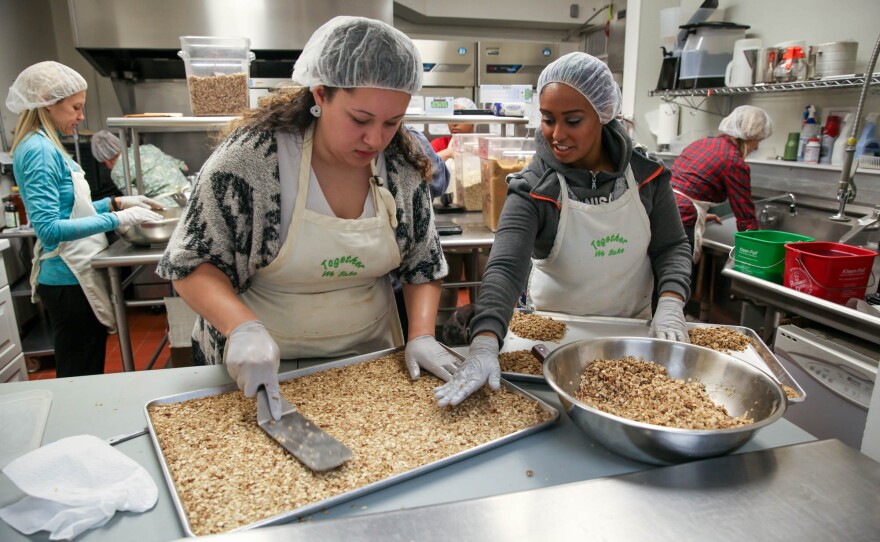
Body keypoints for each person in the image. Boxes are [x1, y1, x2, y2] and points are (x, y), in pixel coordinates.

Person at [157, 16, 459, 419]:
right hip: (257, 373)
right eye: (360, 119)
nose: (376, 139)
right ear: (321, 93)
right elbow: (191, 262)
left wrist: (420, 335)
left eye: (392, 122)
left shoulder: (401, 165)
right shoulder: (252, 161)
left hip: (369, 365)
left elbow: (423, 264)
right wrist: (242, 328)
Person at [434, 52, 693, 407]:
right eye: (547, 119)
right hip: (551, 343)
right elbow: (506, 267)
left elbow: (672, 246)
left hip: (633, 337)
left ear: (604, 115)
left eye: (573, 120)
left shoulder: (647, 176)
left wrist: (671, 303)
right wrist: (484, 343)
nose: (558, 134)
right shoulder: (535, 186)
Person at [6, 61, 162, 377]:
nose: (80, 116)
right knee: (80, 371)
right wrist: (119, 218)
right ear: (49, 104)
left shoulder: (47, 145)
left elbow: (72, 209)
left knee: (87, 364)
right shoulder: (38, 149)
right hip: (66, 278)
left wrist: (116, 201)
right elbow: (49, 230)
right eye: (76, 107)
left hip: (74, 274)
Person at [670, 105, 773, 263]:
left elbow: (682, 187)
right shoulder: (734, 161)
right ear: (748, 136)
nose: (757, 146)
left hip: (663, 209)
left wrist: (701, 215)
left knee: (658, 273)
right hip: (684, 217)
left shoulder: (703, 143)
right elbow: (745, 216)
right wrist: (757, 249)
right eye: (758, 139)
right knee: (677, 273)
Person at [91, 130, 190, 208]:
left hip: (167, 207)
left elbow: (137, 200)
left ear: (106, 161)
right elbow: (185, 167)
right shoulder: (148, 148)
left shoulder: (117, 171)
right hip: (191, 195)